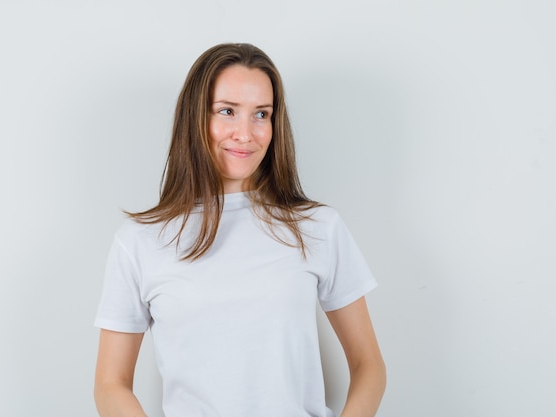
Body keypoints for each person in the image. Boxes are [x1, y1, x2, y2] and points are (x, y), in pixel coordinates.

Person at [94, 42, 386, 417]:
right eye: (227, 111)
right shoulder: (140, 240)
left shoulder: (317, 227)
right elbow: (110, 384)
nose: (246, 133)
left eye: (261, 114)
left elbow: (369, 367)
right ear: (195, 118)